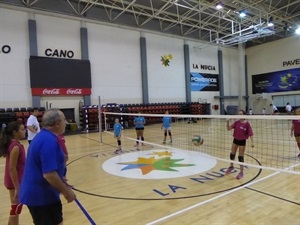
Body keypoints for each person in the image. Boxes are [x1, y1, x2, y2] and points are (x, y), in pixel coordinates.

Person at [19, 109, 76, 225]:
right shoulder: (48, 141)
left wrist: (60, 178)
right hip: (42, 197)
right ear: (57, 123)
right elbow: (49, 174)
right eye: (64, 120)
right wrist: (66, 192)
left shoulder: (44, 137)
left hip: (43, 195)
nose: (66, 123)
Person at [0, 121, 26, 225]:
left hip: (16, 180)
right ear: (15, 132)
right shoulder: (15, 147)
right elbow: (12, 168)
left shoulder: (15, 144)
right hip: (14, 182)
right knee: (15, 208)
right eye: (22, 129)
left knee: (16, 207)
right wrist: (17, 187)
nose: (25, 131)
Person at [225, 110, 254, 179]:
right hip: (235, 140)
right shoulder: (236, 122)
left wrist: (252, 142)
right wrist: (227, 121)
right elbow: (228, 129)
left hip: (242, 142)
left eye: (241, 114)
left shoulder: (247, 124)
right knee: (232, 154)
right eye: (239, 114)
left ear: (244, 115)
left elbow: (251, 134)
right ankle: (231, 166)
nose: (240, 115)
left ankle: (241, 172)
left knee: (240, 157)